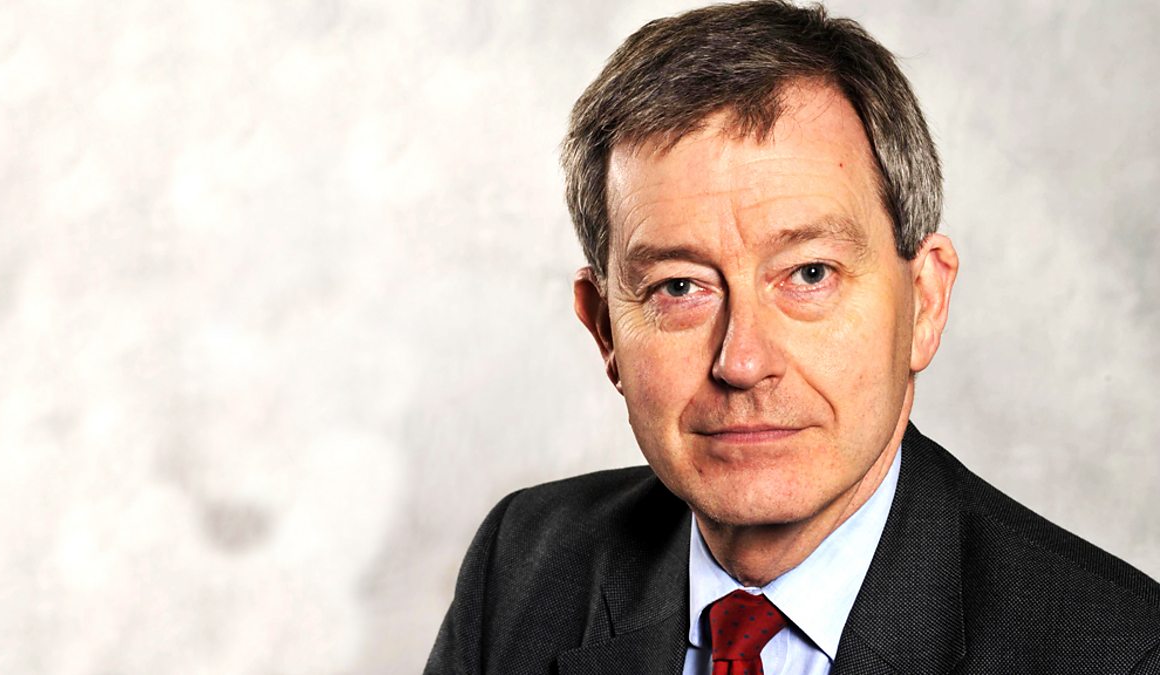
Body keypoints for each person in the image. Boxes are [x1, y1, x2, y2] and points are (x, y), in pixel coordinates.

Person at [426, 2, 1160, 673]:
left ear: (925, 303)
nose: (743, 361)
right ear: (605, 330)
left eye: (809, 273)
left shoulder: (1120, 652)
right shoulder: (521, 567)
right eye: (679, 286)